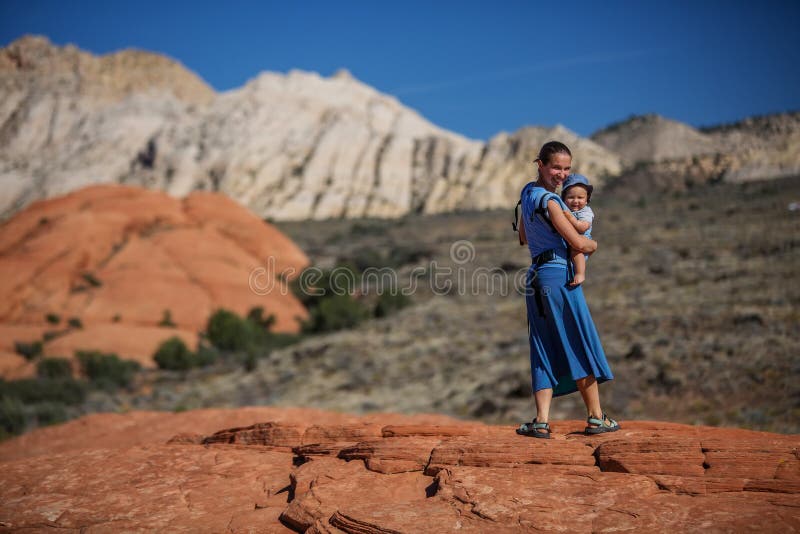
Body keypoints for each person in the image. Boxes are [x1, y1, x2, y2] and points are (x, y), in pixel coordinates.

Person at [515, 141, 619, 438]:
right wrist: (594, 245)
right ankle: (597, 418)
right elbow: (578, 242)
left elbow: (523, 236)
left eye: (566, 168)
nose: (562, 174)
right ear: (541, 165)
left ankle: (541, 421)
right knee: (578, 339)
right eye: (556, 167)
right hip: (559, 275)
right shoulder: (551, 201)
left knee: (542, 346)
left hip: (535, 276)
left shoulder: (527, 193)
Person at [561, 174, 595, 286]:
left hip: (582, 239)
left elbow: (582, 228)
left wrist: (571, 218)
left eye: (580, 198)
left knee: (577, 249)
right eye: (571, 197)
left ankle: (580, 273)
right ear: (564, 199)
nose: (575, 201)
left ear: (587, 200)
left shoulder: (585, 212)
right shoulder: (565, 209)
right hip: (569, 242)